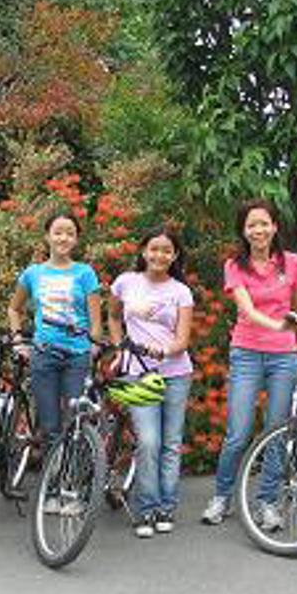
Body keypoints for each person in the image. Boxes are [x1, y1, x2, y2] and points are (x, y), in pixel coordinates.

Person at [203, 198, 297, 529]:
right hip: (246, 353)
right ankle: (221, 496)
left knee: (277, 431)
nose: (258, 230)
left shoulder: (291, 263)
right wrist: (276, 326)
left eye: (264, 223)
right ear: (243, 232)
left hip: (284, 357)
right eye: (251, 225)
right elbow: (247, 310)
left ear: (275, 226)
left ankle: (267, 502)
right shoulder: (235, 265)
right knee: (238, 433)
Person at [108, 228, 194, 538]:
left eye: (167, 251)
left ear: (174, 256)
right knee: (148, 441)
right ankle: (146, 509)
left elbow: (182, 340)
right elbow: (114, 318)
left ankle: (165, 507)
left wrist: (165, 350)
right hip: (138, 372)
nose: (160, 255)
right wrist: (120, 348)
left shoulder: (181, 292)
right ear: (144, 251)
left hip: (175, 373)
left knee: (171, 443)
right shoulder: (126, 282)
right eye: (154, 249)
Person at [8, 212, 102, 453]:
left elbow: (95, 320)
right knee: (49, 426)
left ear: (76, 239)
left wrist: (94, 344)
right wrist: (18, 339)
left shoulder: (85, 273)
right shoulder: (33, 273)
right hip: (44, 354)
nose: (63, 238)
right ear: (47, 236)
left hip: (77, 355)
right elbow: (14, 309)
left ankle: (70, 481)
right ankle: (49, 484)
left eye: (70, 233)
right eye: (58, 232)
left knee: (75, 422)